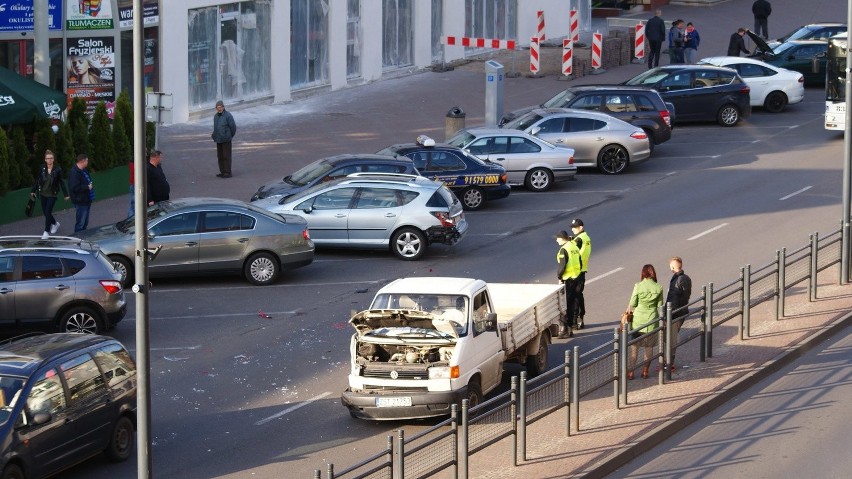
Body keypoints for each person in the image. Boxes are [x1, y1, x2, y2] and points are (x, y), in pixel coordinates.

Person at [624, 264, 663, 380]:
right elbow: (660, 305)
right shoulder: (658, 287)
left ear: (643, 274)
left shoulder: (638, 286)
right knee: (649, 348)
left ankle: (631, 372)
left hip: (637, 322)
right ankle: (645, 371)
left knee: (634, 348)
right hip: (651, 321)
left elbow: (633, 303)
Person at [30, 150, 70, 239]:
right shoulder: (41, 168)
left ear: (53, 159)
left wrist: (66, 194)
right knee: (46, 213)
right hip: (43, 194)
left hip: (52, 194)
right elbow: (37, 180)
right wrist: (33, 190)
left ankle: (46, 231)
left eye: (51, 158)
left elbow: (61, 182)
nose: (49, 160)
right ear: (45, 159)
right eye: (48, 158)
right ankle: (55, 224)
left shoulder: (58, 170)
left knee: (48, 212)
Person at [666, 257, 692, 371]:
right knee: (670, 338)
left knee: (671, 339)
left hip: (675, 314)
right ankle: (668, 362)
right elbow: (685, 297)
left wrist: (670, 313)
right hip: (678, 312)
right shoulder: (684, 278)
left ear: (672, 267)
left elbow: (677, 298)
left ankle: (669, 364)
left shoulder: (678, 280)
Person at [556, 230, 582, 339]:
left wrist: (560, 277)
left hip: (568, 280)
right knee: (572, 304)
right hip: (576, 277)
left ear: (562, 238)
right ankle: (571, 327)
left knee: (564, 305)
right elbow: (580, 262)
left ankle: (565, 330)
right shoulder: (574, 247)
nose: (556, 240)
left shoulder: (564, 249)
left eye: (557, 238)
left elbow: (562, 266)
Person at [571, 218, 591, 330]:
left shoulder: (579, 239)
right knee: (579, 295)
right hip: (582, 270)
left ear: (581, 227)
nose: (573, 229)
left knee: (575, 296)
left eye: (575, 227)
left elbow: (574, 253)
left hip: (577, 271)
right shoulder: (585, 237)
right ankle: (580, 318)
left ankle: (577, 319)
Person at [68, 154, 95, 232]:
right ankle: (77, 240)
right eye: (87, 161)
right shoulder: (74, 172)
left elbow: (88, 180)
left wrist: (89, 184)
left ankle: (83, 239)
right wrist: (87, 187)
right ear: (82, 161)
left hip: (87, 199)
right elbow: (74, 188)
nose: (87, 162)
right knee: (80, 223)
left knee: (85, 223)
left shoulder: (84, 170)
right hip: (80, 201)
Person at [212, 100, 237, 178]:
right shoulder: (215, 116)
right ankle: (222, 171)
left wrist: (229, 136)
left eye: (220, 107)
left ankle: (227, 172)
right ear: (216, 108)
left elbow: (233, 127)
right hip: (218, 139)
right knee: (220, 156)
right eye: (218, 107)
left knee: (226, 156)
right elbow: (216, 127)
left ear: (223, 107)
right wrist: (214, 135)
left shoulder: (228, 115)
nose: (219, 109)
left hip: (226, 139)